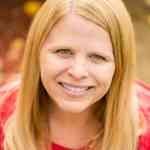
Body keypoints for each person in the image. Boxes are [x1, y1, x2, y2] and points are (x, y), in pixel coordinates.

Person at [0, 0, 150, 150]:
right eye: (64, 52)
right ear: (36, 53)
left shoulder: (145, 131)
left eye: (98, 57)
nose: (78, 73)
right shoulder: (3, 117)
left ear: (120, 65)